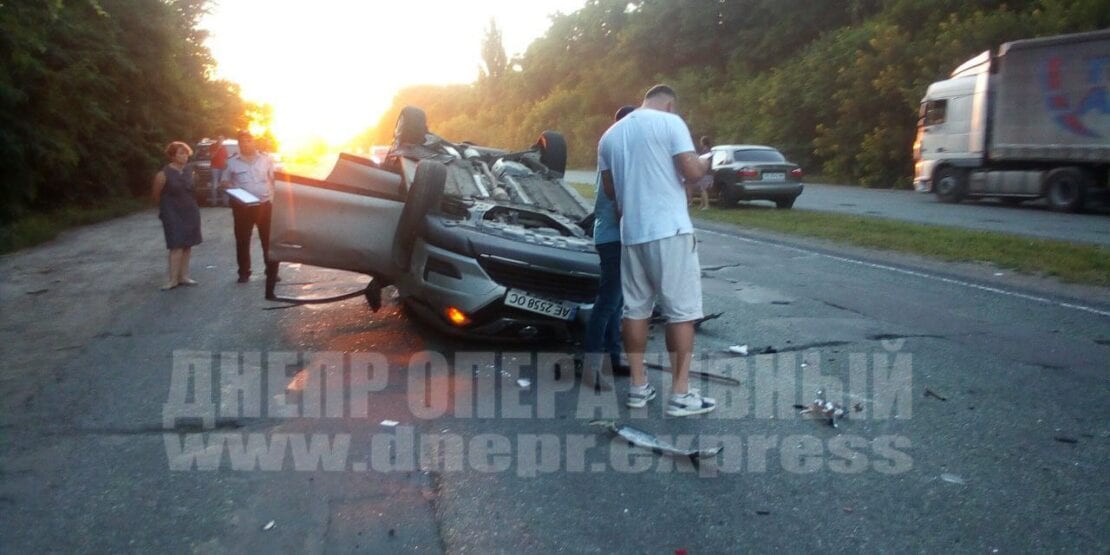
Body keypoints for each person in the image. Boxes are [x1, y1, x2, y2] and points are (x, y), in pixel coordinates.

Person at [598, 84, 715, 417]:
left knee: (634, 310)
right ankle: (680, 395)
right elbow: (691, 172)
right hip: (670, 231)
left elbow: (610, 191)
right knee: (681, 312)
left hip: (632, 233)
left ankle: (638, 387)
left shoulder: (609, 136)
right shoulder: (670, 123)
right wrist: (705, 163)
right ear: (670, 105)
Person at [582, 104, 637, 390]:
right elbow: (619, 205)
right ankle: (591, 367)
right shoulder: (617, 152)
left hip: (613, 236)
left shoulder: (616, 150)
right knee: (607, 302)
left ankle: (613, 359)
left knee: (616, 302)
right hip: (613, 237)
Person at [221, 130, 279, 295]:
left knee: (268, 240)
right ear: (239, 145)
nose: (245, 144)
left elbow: (274, 180)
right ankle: (244, 273)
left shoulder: (266, 160)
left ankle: (272, 271)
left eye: (248, 141)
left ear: (254, 142)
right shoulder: (232, 163)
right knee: (242, 240)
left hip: (264, 205)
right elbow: (223, 182)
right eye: (242, 142)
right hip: (243, 208)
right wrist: (228, 186)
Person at [152, 141, 203, 290]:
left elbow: (194, 190)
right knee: (176, 244)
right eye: (181, 153)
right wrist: (165, 210)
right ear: (172, 156)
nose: (185, 156)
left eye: (186, 153)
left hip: (190, 211)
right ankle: (172, 279)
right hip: (172, 212)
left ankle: (184, 276)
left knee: (187, 244)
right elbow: (156, 194)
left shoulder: (191, 171)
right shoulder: (163, 174)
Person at [689, 136, 713, 210]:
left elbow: (703, 162)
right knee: (701, 189)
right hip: (708, 173)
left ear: (703, 142)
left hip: (706, 173)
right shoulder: (708, 151)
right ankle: (702, 204)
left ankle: (706, 205)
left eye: (701, 141)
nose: (700, 143)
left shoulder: (706, 151)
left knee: (703, 189)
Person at [209, 134, 229, 206]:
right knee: (215, 185)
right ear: (217, 140)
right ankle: (214, 203)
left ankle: (225, 203)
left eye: (222, 139)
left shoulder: (224, 147)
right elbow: (211, 157)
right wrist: (218, 148)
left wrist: (226, 165)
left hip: (223, 168)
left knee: (224, 184)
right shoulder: (213, 146)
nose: (221, 141)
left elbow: (226, 158)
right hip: (214, 168)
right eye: (219, 139)